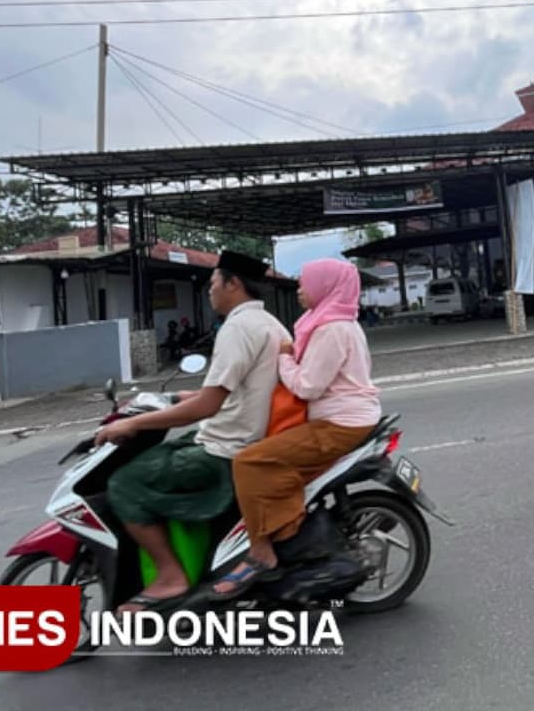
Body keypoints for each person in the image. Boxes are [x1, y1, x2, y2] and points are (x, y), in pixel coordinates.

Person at [94, 250, 290, 613]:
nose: (209, 291)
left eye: (213, 283)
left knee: (125, 482)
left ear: (233, 284)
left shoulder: (237, 328)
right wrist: (176, 395)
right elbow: (232, 389)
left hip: (224, 451)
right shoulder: (269, 324)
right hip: (239, 436)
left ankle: (170, 576)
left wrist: (132, 422)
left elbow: (206, 407)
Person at [210, 259, 380, 599]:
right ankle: (286, 530)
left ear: (326, 287)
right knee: (275, 460)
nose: (300, 289)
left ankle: (262, 551)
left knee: (249, 461)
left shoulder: (332, 329)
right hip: (345, 418)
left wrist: (284, 358)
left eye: (306, 283)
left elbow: (307, 387)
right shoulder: (335, 322)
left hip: (339, 424)